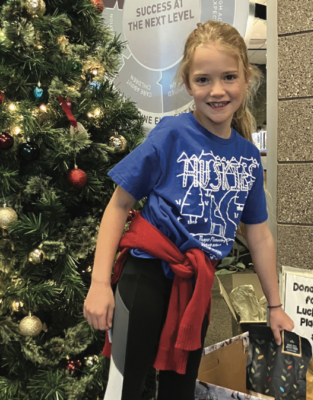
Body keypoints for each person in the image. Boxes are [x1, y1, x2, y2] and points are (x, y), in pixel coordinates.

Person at [83, 20, 294, 400]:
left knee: (179, 391)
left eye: (229, 77)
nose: (217, 90)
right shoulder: (171, 134)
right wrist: (99, 284)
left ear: (247, 79)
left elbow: (259, 235)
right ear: (187, 83)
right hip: (146, 276)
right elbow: (118, 206)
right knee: (124, 388)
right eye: (203, 80)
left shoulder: (248, 157)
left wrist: (274, 306)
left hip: (196, 285)